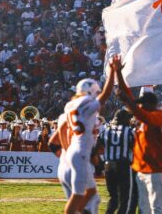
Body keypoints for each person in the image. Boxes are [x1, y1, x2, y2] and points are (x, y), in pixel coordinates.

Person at [114, 56, 162, 214]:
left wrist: (128, 100)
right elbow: (127, 96)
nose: (139, 105)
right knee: (138, 205)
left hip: (157, 170)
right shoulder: (146, 116)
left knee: (155, 207)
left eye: (142, 103)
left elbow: (135, 108)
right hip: (143, 168)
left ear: (150, 105)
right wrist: (118, 73)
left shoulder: (160, 116)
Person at [63, 59, 115, 214]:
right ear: (90, 91)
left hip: (78, 149)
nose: (97, 95)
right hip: (80, 152)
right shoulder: (84, 103)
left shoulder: (70, 104)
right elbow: (105, 95)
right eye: (95, 92)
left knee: (91, 191)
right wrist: (112, 71)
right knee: (77, 195)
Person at [101, 109, 135, 214]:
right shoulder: (129, 131)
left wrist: (100, 165)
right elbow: (135, 148)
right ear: (124, 119)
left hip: (108, 166)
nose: (130, 120)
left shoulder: (106, 131)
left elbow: (97, 147)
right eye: (129, 118)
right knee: (125, 199)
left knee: (113, 198)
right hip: (123, 166)